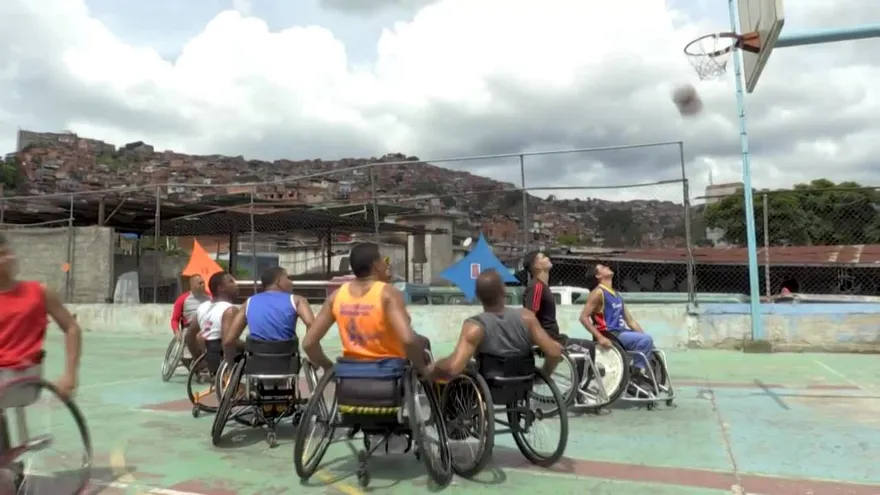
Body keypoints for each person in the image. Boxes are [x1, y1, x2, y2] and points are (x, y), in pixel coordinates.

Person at [0, 233, 83, 485]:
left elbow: (72, 328)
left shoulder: (38, 292)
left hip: (23, 379)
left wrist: (70, 373)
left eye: (6, 252)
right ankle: (7, 462)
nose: (7, 257)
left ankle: (6, 464)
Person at [302, 242, 428, 373]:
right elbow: (408, 340)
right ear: (375, 265)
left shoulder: (337, 296)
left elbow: (308, 343)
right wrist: (422, 368)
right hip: (388, 375)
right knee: (422, 343)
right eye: (384, 260)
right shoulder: (388, 293)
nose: (387, 264)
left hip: (349, 376)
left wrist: (329, 368)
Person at [429, 269, 562, 379]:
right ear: (504, 291)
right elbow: (555, 352)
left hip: (490, 384)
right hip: (524, 381)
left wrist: (432, 368)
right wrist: (543, 375)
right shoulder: (527, 317)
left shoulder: (474, 327)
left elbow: (452, 369)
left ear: (477, 295)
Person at [522, 250, 599, 370]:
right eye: (543, 257)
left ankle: (576, 383)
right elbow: (529, 316)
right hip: (549, 338)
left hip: (555, 336)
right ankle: (578, 385)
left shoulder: (543, 286)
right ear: (537, 265)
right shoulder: (536, 287)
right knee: (587, 347)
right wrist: (545, 341)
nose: (547, 258)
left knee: (588, 348)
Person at [580, 263, 654, 380]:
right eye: (603, 268)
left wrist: (644, 337)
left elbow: (631, 322)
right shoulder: (598, 293)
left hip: (621, 333)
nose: (607, 267)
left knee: (647, 341)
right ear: (598, 276)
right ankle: (636, 375)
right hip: (610, 334)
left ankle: (639, 373)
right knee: (645, 340)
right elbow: (583, 317)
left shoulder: (616, 294)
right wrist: (599, 337)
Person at [223, 266, 315, 357]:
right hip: (287, 361)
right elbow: (311, 324)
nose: (291, 282)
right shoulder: (297, 300)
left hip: (255, 361)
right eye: (288, 278)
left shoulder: (249, 302)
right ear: (278, 281)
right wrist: (310, 353)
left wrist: (248, 346)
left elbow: (229, 341)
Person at [189, 271, 242, 375]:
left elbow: (189, 336)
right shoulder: (229, 309)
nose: (236, 285)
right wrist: (230, 371)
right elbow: (227, 342)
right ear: (220, 288)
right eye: (231, 282)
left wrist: (198, 360)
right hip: (222, 358)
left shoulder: (202, 307)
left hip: (209, 358)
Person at [171, 275, 211, 366]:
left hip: (206, 326)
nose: (203, 284)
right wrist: (176, 331)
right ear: (192, 285)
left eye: (203, 282)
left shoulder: (209, 298)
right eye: (200, 283)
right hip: (189, 327)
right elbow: (175, 319)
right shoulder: (182, 299)